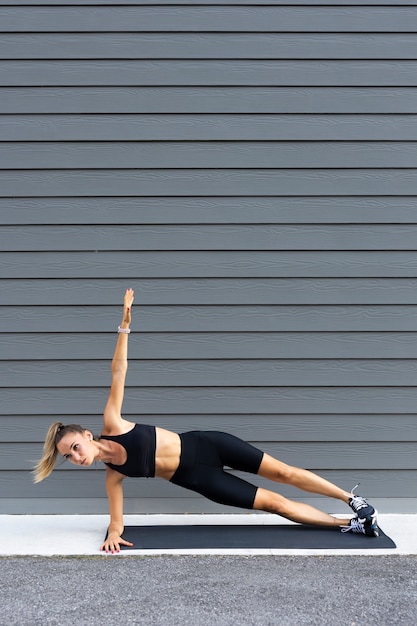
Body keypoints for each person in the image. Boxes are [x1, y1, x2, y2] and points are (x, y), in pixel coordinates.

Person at [33, 288, 379, 553]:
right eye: (68, 456)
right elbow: (117, 522)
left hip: (207, 444)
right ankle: (348, 525)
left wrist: (124, 326)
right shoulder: (113, 477)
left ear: (88, 436)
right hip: (200, 478)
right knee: (276, 504)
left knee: (284, 472)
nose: (76, 457)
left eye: (75, 447)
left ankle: (352, 500)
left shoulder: (113, 423)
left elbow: (118, 372)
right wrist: (112, 535)